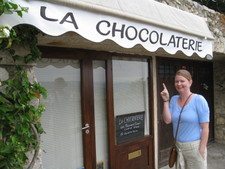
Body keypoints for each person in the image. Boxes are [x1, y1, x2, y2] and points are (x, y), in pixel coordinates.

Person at [160, 69, 210, 169]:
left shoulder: (199, 100)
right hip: (178, 147)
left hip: (194, 148)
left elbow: (205, 127)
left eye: (182, 81)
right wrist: (166, 101)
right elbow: (167, 120)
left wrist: (202, 149)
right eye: (176, 81)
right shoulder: (173, 99)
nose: (179, 84)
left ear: (190, 82)